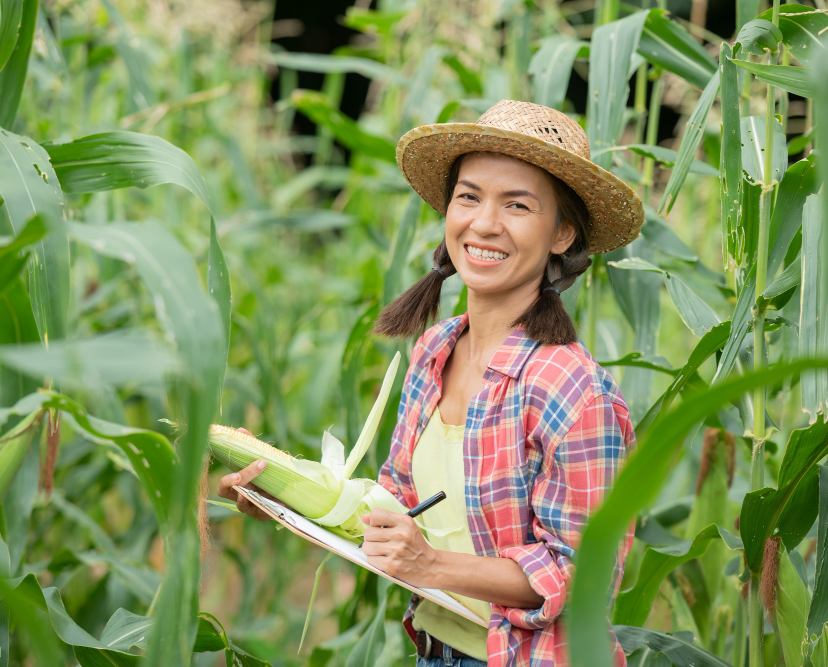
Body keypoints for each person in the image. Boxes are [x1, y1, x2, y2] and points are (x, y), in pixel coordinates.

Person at [219, 99, 642, 667]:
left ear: (563, 233)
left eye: (517, 205)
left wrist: (429, 565)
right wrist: (283, 495)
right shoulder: (434, 349)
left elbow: (582, 574)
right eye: (469, 197)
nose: (484, 223)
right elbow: (398, 506)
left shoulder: (572, 389)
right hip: (436, 651)